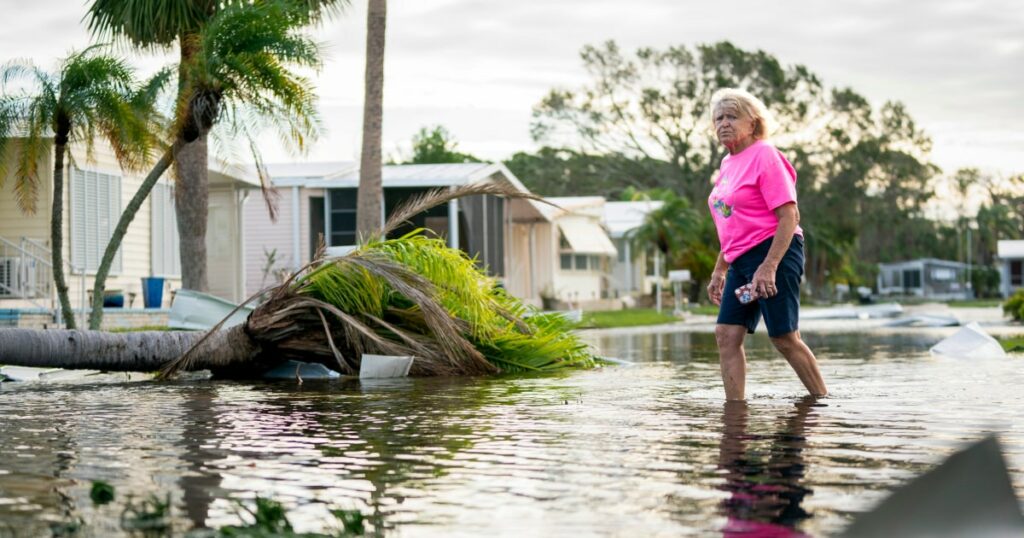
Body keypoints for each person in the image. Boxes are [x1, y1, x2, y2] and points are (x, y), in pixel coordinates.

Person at [705, 88, 827, 401]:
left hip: (775, 251)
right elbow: (734, 225)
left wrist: (768, 266)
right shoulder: (727, 164)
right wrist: (720, 270)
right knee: (726, 334)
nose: (724, 123)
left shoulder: (765, 155)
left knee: (784, 337)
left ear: (753, 123)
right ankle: (735, 411)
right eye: (719, 118)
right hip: (740, 259)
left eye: (732, 117)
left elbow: (789, 215)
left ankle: (822, 403)